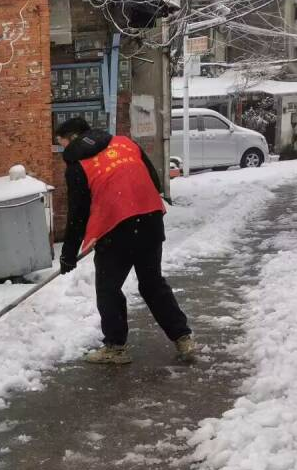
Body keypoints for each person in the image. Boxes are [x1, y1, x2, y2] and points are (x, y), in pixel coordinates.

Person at [56, 117, 195, 365]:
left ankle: (115, 347)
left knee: (108, 289)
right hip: (150, 219)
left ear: (73, 138)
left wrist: (68, 254)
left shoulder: (78, 164)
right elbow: (154, 180)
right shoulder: (125, 143)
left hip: (116, 229)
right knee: (152, 284)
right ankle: (182, 337)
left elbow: (78, 214)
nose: (62, 149)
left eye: (62, 143)